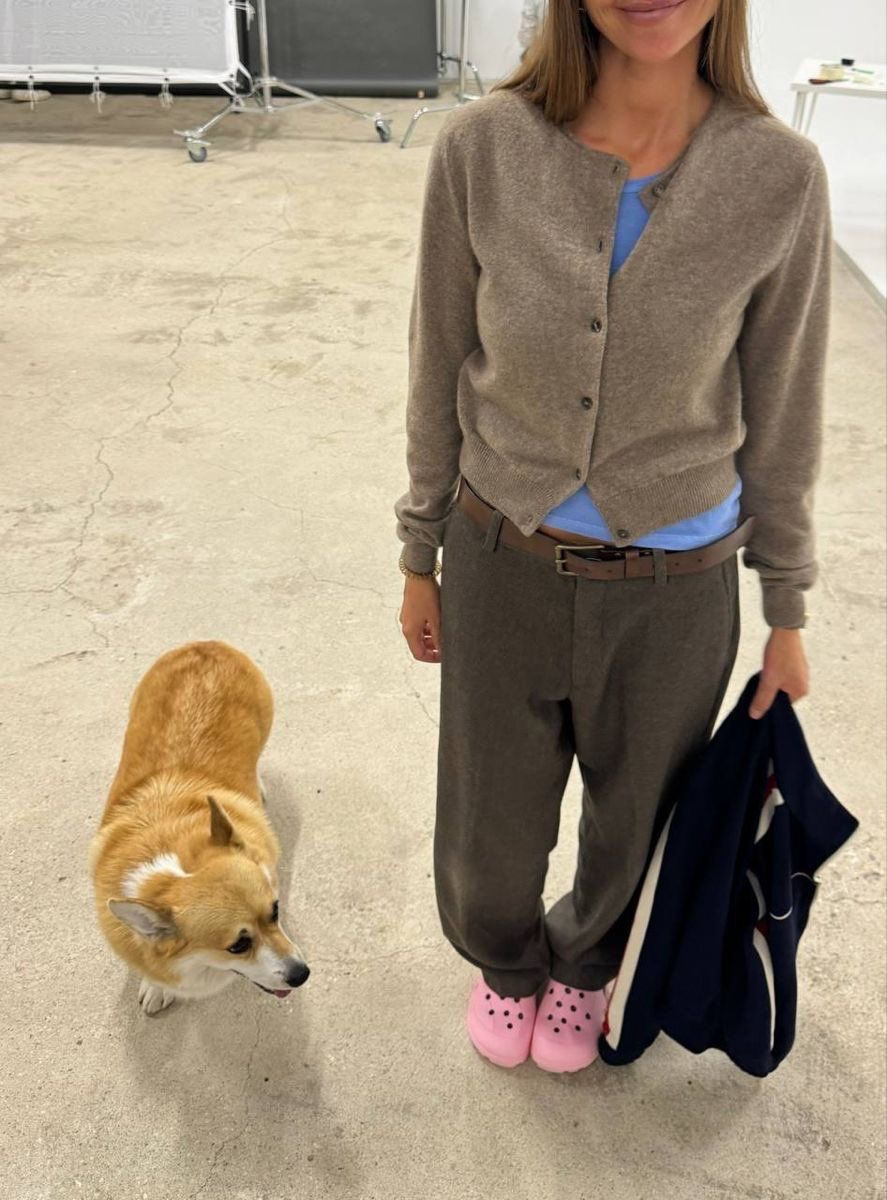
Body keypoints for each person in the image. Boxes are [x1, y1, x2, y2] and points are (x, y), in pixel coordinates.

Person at [395, 0, 831, 1074]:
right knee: (488, 822)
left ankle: (588, 964)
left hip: (677, 582)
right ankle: (504, 964)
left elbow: (785, 407)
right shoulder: (482, 148)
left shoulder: (776, 175)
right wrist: (419, 549)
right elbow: (437, 360)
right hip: (501, 555)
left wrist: (784, 605)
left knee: (635, 818)